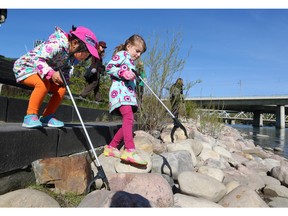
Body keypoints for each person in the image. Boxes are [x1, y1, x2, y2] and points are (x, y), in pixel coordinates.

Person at [13, 25, 99, 128]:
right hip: (27, 67)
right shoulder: (57, 44)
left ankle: (47, 117)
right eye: (85, 52)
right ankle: (30, 116)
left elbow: (66, 69)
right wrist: (52, 73)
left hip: (43, 72)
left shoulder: (72, 57)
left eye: (88, 54)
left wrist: (65, 79)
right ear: (75, 43)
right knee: (42, 85)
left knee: (61, 89)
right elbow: (38, 59)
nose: (86, 57)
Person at [103, 34, 147, 166]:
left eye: (141, 53)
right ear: (129, 46)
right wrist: (123, 73)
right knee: (128, 118)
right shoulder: (122, 55)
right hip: (120, 94)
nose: (138, 54)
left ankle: (111, 147)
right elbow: (109, 67)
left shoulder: (131, 62)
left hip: (127, 95)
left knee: (128, 120)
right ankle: (130, 150)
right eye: (137, 51)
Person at [169, 78, 188, 142]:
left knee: (176, 117)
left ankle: (176, 125)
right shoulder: (174, 87)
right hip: (174, 103)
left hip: (176, 103)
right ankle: (178, 127)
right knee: (175, 116)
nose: (182, 85)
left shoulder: (179, 87)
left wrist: (182, 101)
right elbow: (172, 95)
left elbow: (181, 95)